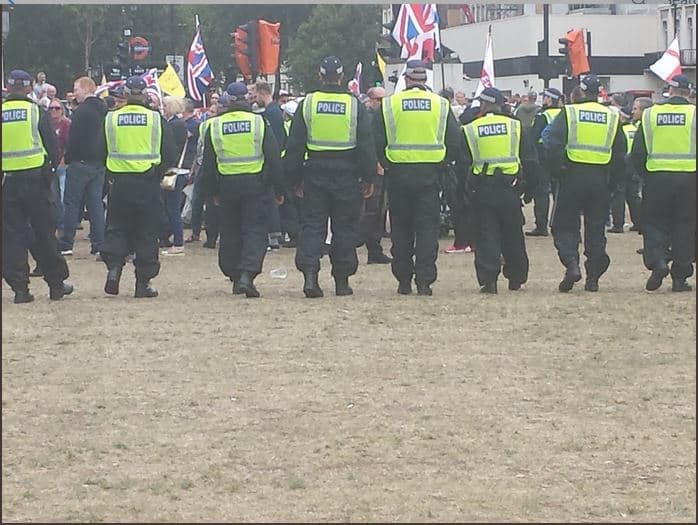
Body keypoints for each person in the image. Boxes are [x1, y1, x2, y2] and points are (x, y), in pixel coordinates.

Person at [285, 56, 377, 298]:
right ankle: (342, 281)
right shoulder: (355, 105)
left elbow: (295, 145)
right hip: (347, 174)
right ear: (342, 76)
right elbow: (366, 145)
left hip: (314, 172)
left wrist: (293, 180)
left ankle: (310, 276)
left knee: (313, 226)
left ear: (320, 75)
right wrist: (369, 178)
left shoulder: (308, 103)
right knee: (344, 227)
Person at [374, 60, 466, 295]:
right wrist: (443, 162)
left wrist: (386, 162)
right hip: (430, 175)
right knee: (427, 229)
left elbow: (377, 139)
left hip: (398, 175)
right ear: (426, 81)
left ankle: (403, 280)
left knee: (401, 229)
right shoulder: (441, 104)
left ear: (405, 80)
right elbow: (455, 142)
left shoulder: (390, 104)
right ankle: (424, 280)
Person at [200, 83, 285, 297]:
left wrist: (211, 193)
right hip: (256, 185)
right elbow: (273, 157)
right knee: (255, 231)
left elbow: (208, 165)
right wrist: (279, 189)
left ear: (227, 101)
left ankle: (235, 275)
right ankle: (248, 274)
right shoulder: (259, 122)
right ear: (246, 100)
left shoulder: (215, 126)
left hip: (227, 186)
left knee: (230, 231)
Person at [544, 74, 626, 293]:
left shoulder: (569, 113)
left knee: (564, 225)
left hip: (571, 176)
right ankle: (593, 277)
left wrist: (556, 171)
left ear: (579, 91)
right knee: (596, 229)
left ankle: (571, 264)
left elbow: (553, 144)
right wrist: (614, 183)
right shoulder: (611, 117)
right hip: (600, 179)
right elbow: (620, 153)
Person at [100, 76, 176, 298]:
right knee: (146, 232)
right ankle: (143, 283)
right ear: (145, 93)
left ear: (124, 92)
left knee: (117, 228)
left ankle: (114, 269)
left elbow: (100, 150)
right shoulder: (155, 119)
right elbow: (170, 152)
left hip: (119, 184)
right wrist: (157, 172)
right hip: (147, 183)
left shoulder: (111, 118)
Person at [2, 69, 73, 303]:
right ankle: (56, 284)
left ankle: (20, 289)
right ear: (29, 87)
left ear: (9, 87)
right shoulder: (35, 111)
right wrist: (49, 172)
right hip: (35, 180)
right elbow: (51, 146)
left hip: (7, 181)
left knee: (12, 237)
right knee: (44, 233)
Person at [461, 87, 539, 293]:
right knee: (513, 234)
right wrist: (530, 189)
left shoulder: (471, 128)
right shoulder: (516, 127)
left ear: (484, 104)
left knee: (487, 235)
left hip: (483, 190)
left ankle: (489, 280)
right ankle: (516, 277)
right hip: (510, 189)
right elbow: (530, 160)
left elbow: (463, 163)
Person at [632, 74, 696, 292]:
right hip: (689, 179)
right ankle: (680, 277)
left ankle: (658, 261)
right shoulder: (695, 114)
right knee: (685, 227)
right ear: (689, 92)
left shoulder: (650, 114)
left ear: (669, 90)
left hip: (657, 178)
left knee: (653, 223)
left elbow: (638, 151)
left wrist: (645, 175)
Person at [58, 76, 107, 258]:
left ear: (86, 89)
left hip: (80, 162)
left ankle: (66, 242)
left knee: (72, 203)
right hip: (98, 163)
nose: (74, 93)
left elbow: (75, 139)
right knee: (95, 205)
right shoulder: (103, 109)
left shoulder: (81, 112)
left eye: (76, 89)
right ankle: (99, 243)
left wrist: (69, 157)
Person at [358, 86, 392, 265]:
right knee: (373, 210)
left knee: (380, 210)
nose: (382, 103)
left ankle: (375, 248)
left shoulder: (380, 117)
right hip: (375, 169)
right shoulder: (368, 117)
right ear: (370, 100)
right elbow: (369, 145)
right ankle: (372, 247)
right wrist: (375, 165)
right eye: (379, 100)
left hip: (382, 168)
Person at [526, 87, 564, 237]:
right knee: (559, 192)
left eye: (545, 97)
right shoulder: (564, 113)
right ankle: (559, 224)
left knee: (541, 192)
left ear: (549, 99)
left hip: (543, 156)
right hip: (560, 155)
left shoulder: (542, 115)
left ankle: (541, 226)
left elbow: (534, 136)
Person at [608, 104, 643, 234]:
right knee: (633, 196)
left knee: (618, 195)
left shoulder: (620, 131)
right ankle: (639, 222)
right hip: (634, 166)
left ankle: (618, 224)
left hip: (622, 164)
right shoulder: (635, 129)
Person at [160, 96, 188, 256]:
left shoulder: (175, 125)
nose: (164, 108)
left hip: (174, 170)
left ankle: (178, 242)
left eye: (166, 105)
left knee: (173, 208)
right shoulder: (177, 123)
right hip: (175, 169)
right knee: (171, 207)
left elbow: (171, 149)